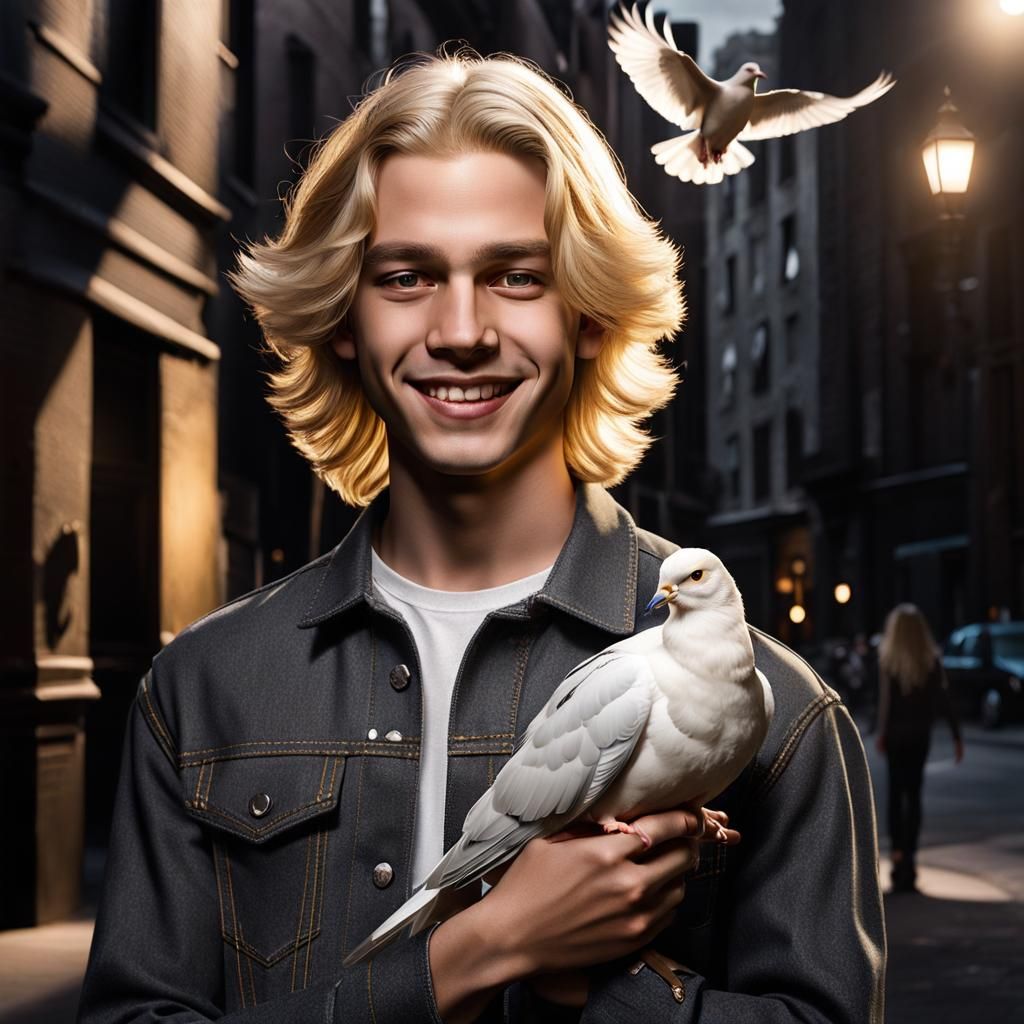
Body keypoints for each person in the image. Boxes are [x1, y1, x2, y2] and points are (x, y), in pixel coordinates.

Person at [77, 51, 884, 1024]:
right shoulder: (203, 690)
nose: (461, 329)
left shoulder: (783, 716)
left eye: (515, 275)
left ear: (586, 312)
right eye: (408, 275)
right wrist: (481, 948)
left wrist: (593, 981)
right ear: (344, 317)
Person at [874, 604, 963, 893]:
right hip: (919, 737)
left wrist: (881, 733)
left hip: (896, 738)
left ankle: (897, 852)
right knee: (914, 795)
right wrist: (956, 737)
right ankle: (910, 854)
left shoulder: (889, 660)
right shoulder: (931, 661)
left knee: (895, 794)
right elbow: (945, 701)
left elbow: (886, 703)